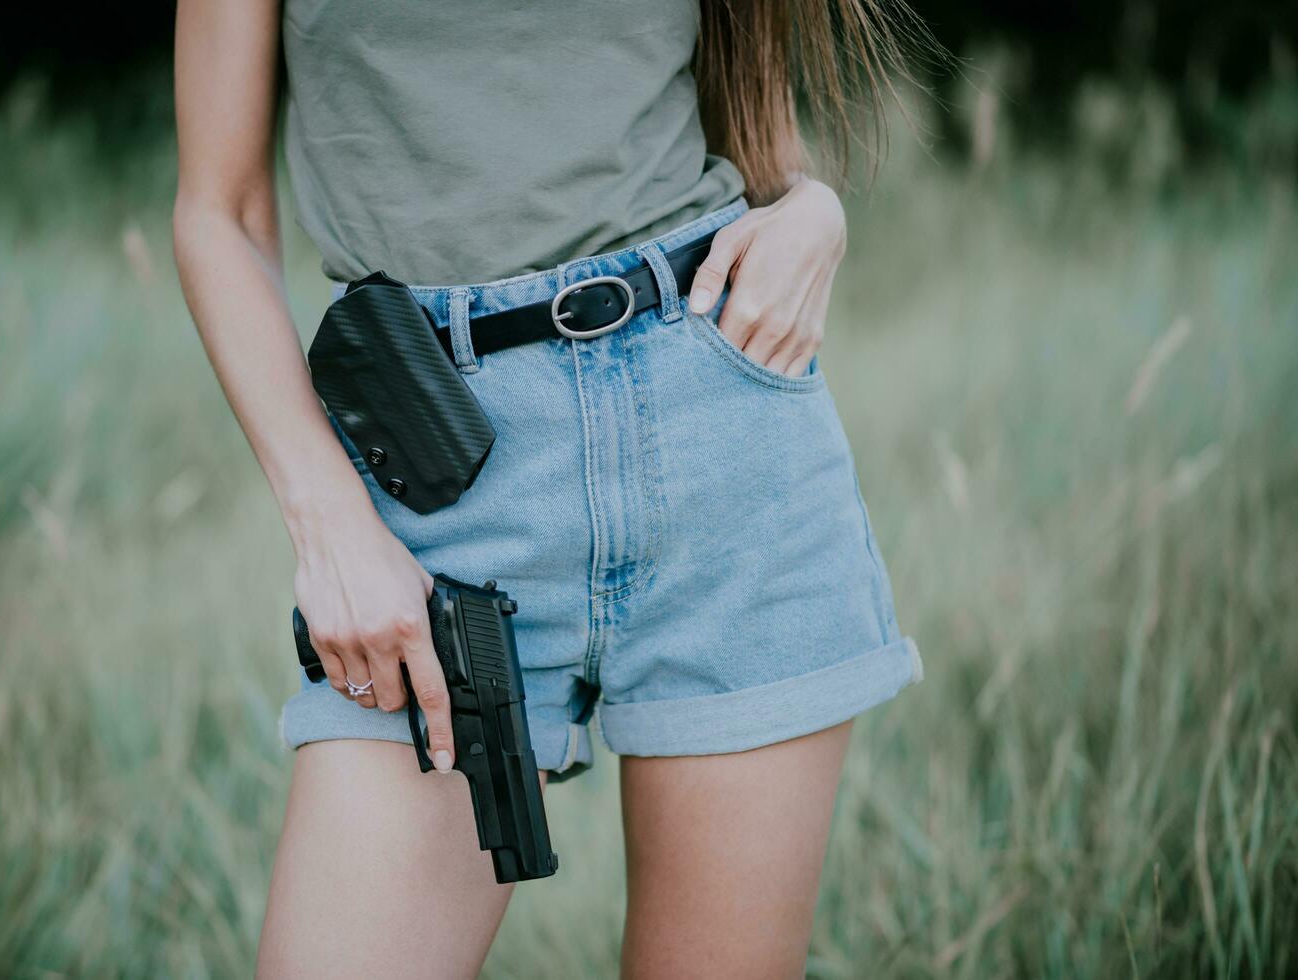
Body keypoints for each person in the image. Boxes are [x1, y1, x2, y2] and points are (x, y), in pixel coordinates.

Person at [172, 1, 931, 975]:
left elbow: (756, 132)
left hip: (716, 436)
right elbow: (217, 211)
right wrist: (330, 530)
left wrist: (814, 212)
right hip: (437, 483)